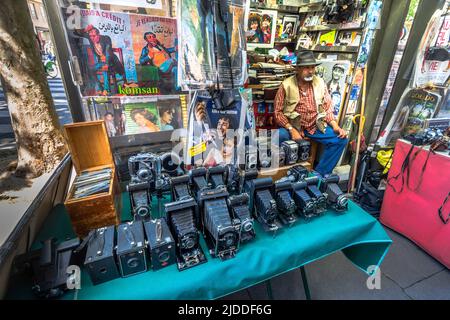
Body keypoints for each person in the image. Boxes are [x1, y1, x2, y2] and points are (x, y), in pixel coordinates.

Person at [274, 50, 348, 177]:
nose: (311, 71)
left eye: (312, 67)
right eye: (306, 68)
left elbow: (328, 108)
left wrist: (335, 126)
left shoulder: (320, 83)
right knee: (279, 136)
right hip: (294, 126)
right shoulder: (286, 85)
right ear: (298, 69)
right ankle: (282, 173)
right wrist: (292, 129)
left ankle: (318, 175)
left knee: (341, 140)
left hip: (315, 126)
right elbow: (278, 113)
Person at [74, 25, 126, 95]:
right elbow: (76, 33)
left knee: (105, 68)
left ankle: (107, 91)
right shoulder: (90, 38)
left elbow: (108, 52)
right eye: (91, 36)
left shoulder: (106, 39)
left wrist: (106, 63)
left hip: (111, 61)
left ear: (99, 34)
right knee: (90, 70)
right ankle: (99, 88)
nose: (92, 38)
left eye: (94, 36)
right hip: (101, 61)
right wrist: (85, 30)